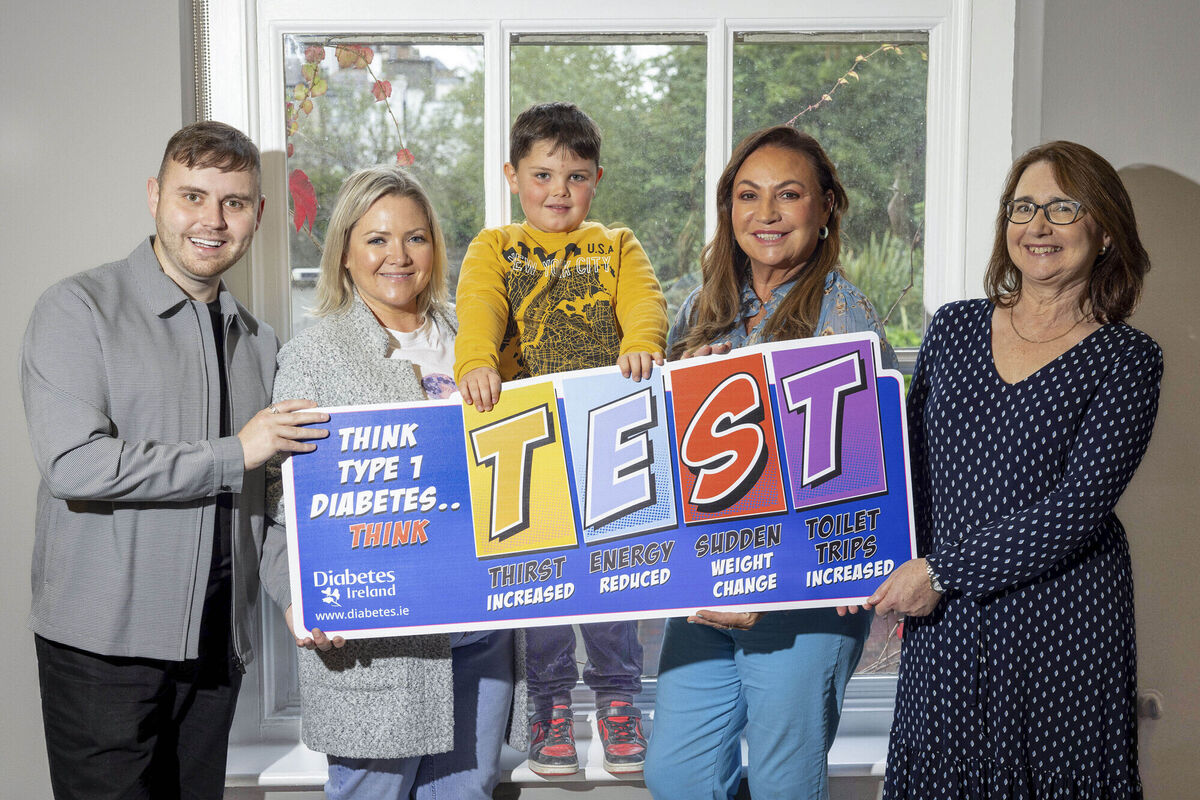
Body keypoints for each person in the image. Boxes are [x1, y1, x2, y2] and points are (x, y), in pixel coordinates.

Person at [20, 121, 329, 800]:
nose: (212, 221)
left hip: (216, 648)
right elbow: (74, 464)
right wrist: (233, 453)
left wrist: (302, 596)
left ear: (257, 215)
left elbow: (268, 502)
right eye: (193, 196)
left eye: (234, 203)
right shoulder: (77, 309)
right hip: (104, 652)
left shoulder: (258, 340)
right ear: (156, 196)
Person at [864, 140, 1161, 799]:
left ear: (1104, 228)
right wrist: (857, 556)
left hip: (1061, 621)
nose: (1038, 226)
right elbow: (903, 464)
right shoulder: (955, 328)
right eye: (1023, 207)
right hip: (947, 624)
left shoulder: (1127, 359)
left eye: (1063, 207)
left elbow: (1077, 507)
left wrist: (940, 573)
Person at [643, 125, 897, 800]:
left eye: (789, 194)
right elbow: (670, 464)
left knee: (786, 784)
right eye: (749, 195)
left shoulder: (845, 314)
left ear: (826, 208)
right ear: (729, 211)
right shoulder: (701, 310)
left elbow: (869, 477)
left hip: (804, 595)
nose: (768, 213)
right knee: (677, 775)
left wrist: (774, 583)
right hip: (705, 589)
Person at [267, 165, 526, 800]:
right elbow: (282, 505)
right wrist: (297, 597)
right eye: (377, 239)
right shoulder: (314, 353)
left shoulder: (476, 341)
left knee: (469, 794)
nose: (398, 256)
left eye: (415, 238)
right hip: (377, 646)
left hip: (480, 633)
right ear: (346, 253)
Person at [454, 101, 668, 776]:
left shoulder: (616, 244)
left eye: (575, 177)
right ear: (513, 175)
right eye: (543, 175)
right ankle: (548, 705)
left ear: (596, 179)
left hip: (605, 442)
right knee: (542, 592)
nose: (558, 191)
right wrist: (476, 361)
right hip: (528, 446)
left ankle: (618, 700)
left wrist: (641, 342)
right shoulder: (494, 247)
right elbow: (479, 304)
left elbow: (644, 300)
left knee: (610, 589)